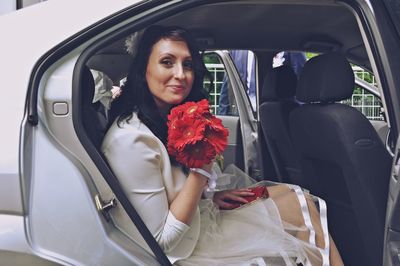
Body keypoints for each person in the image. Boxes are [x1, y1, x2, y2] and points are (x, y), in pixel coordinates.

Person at [102, 25, 343, 265]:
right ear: (143, 69)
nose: (180, 74)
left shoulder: (160, 120)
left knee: (297, 197)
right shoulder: (131, 140)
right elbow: (161, 241)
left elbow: (170, 193)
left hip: (197, 225)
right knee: (297, 214)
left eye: (187, 65)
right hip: (185, 252)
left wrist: (211, 198)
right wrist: (200, 171)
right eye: (167, 62)